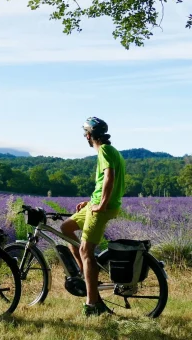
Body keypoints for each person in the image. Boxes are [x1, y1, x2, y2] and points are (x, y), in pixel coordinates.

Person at [61, 117, 125, 317]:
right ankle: (85, 273)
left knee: (85, 250)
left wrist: (101, 204)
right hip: (95, 205)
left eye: (85, 134)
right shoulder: (111, 151)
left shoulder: (105, 151)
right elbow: (102, 183)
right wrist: (90, 202)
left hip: (103, 208)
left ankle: (92, 304)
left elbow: (109, 177)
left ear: (89, 135)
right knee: (66, 228)